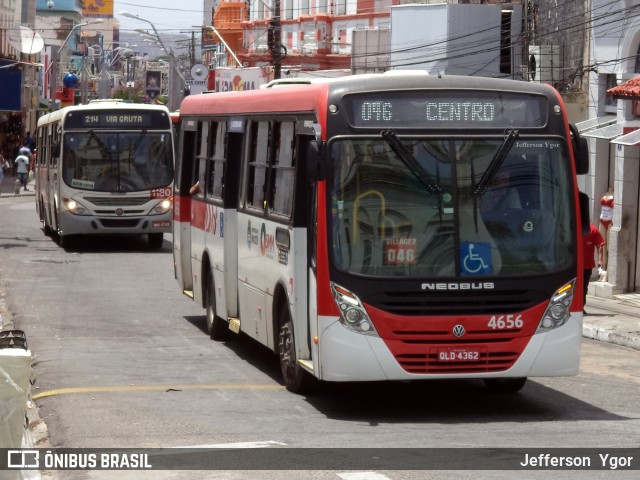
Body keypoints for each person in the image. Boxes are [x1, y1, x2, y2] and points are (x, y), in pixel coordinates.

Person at [583, 223, 605, 314]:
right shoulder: (571, 227)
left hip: (587, 265)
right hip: (573, 266)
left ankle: (581, 306)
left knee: (584, 287)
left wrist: (600, 260)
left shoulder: (593, 230)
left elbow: (600, 244)